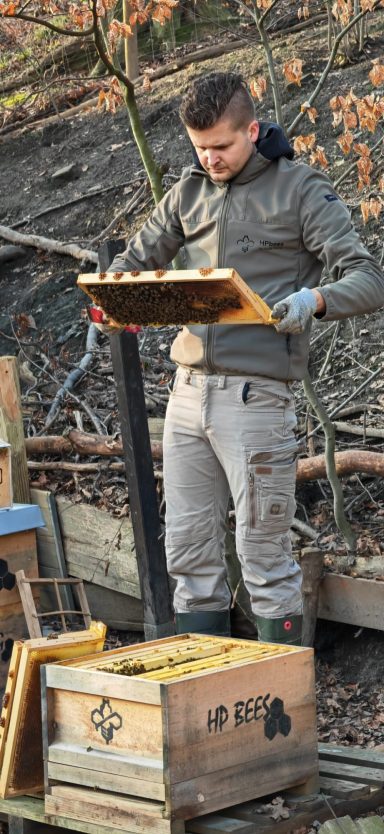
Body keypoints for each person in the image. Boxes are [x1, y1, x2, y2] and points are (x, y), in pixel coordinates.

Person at [108, 72, 384, 645]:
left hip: (258, 398)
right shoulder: (186, 191)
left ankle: (278, 705)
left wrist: (315, 300)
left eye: (222, 147)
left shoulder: (301, 189)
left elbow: (369, 279)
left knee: (261, 552)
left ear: (252, 131)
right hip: (186, 397)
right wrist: (115, 294)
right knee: (187, 550)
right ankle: (204, 698)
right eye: (199, 147)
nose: (210, 158)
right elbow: (130, 265)